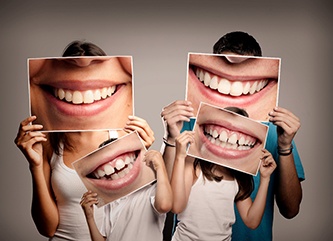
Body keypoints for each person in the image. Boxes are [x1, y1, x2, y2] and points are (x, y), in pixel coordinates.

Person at [161, 31, 304, 241]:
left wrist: (284, 147)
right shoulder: (187, 126)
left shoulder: (276, 132)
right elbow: (163, 201)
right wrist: (170, 139)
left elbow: (290, 210)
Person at [14, 40, 155, 241]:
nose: (83, 66)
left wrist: (143, 157)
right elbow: (47, 229)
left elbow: (140, 215)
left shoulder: (126, 138)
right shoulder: (49, 143)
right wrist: (35, 165)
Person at [170, 110, 276, 240]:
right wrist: (180, 158)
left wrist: (265, 178)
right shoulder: (193, 165)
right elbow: (176, 207)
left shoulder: (238, 178)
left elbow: (252, 221)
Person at [80, 150, 172, 241]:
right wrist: (89, 217)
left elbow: (164, 205)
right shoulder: (110, 202)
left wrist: (160, 167)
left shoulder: (150, 191)